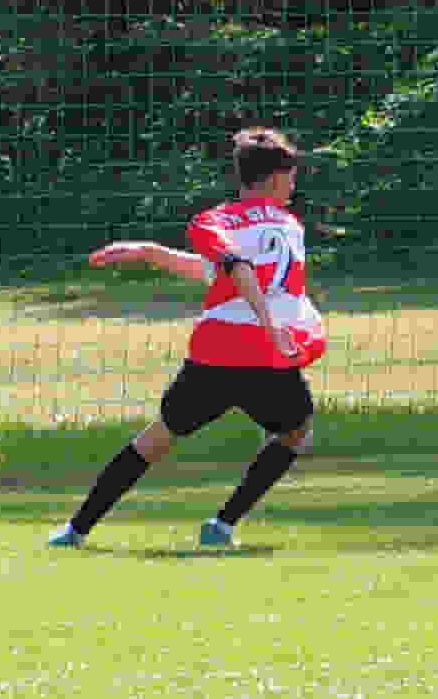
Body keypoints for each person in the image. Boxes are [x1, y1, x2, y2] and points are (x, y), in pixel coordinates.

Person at [51, 126, 325, 551]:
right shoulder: (290, 226)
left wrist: (149, 251)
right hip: (266, 353)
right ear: (273, 178)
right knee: (294, 431)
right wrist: (270, 323)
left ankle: (76, 530)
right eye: (290, 177)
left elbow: (222, 269)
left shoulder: (216, 220)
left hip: (216, 352)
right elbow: (238, 270)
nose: (294, 186)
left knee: (155, 440)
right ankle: (222, 524)